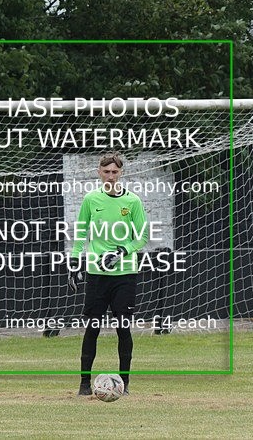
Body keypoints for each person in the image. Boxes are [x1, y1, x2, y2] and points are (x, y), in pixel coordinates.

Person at [68, 153, 149, 396]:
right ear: (99, 172)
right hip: (96, 273)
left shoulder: (133, 201)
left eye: (115, 172)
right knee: (91, 328)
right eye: (106, 172)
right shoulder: (91, 199)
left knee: (123, 328)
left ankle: (124, 385)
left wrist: (121, 252)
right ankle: (84, 384)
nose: (110, 176)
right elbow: (81, 231)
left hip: (124, 274)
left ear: (121, 173)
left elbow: (142, 237)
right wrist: (75, 260)